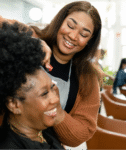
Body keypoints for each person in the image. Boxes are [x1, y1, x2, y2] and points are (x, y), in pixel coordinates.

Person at [0, 1, 101, 147]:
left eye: (84, 34)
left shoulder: (87, 77)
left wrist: (57, 112)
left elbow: (82, 133)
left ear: (89, 42)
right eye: (70, 26)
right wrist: (31, 41)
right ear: (59, 22)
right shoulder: (29, 37)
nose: (73, 36)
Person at [0, 22, 65, 149]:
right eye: (44, 94)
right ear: (14, 104)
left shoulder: (43, 131)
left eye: (52, 88)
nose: (56, 99)